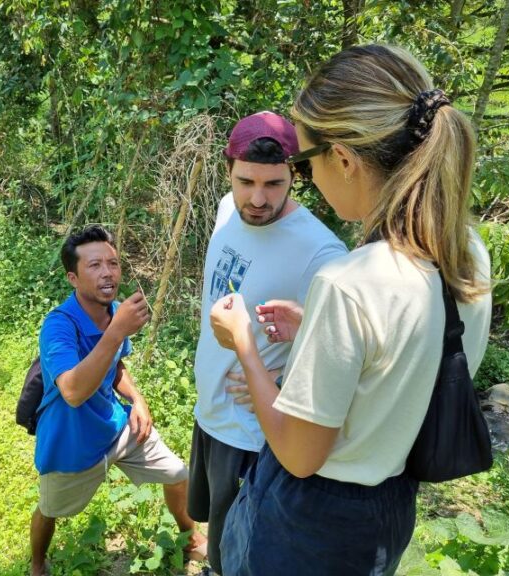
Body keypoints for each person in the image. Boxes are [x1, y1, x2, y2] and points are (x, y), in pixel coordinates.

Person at [209, 44, 492, 575]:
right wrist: (315, 332)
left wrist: (245, 344)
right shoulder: (466, 250)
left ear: (342, 158)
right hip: (390, 505)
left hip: (312, 523)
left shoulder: (350, 282)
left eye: (305, 162)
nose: (308, 179)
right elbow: (408, 362)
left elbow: (299, 453)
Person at [188, 111, 347, 575]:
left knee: (239, 555)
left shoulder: (321, 252)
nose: (257, 199)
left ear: (294, 176)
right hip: (211, 412)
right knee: (215, 526)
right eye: (246, 181)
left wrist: (284, 376)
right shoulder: (224, 209)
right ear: (229, 171)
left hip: (253, 437)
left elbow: (341, 349)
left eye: (274, 184)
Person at [29, 225, 206, 576]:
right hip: (71, 445)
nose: (108, 272)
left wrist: (137, 399)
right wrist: (116, 331)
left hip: (118, 427)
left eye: (113, 263)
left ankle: (191, 538)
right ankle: (36, 563)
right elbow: (73, 392)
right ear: (73, 278)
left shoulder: (113, 312)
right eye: (94, 265)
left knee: (177, 473)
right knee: (50, 509)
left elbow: (116, 365)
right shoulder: (59, 326)